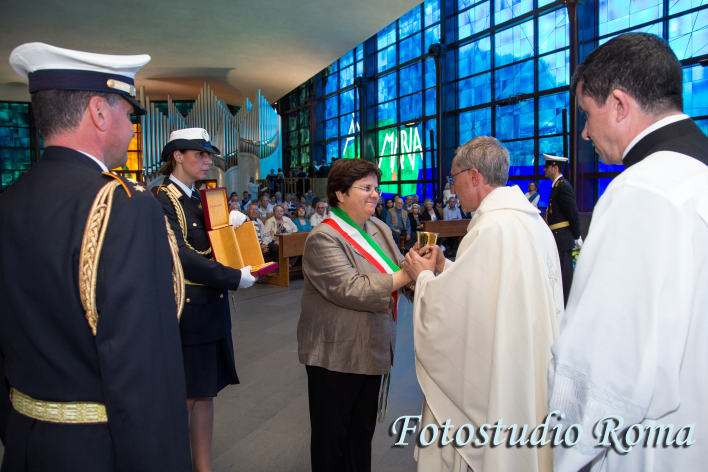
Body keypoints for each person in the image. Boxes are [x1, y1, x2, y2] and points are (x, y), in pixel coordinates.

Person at [0, 42, 191, 471]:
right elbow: (143, 368)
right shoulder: (125, 206)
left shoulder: (8, 202)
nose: (133, 128)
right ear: (99, 112)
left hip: (23, 442)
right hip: (101, 450)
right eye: (129, 113)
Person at [548, 33, 708, 472]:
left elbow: (603, 372)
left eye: (587, 113)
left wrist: (563, 448)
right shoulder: (695, 174)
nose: (585, 132)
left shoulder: (641, 190)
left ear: (619, 105)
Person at [404, 136, 561, 472]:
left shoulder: (491, 227)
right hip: (527, 359)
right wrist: (444, 266)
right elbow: (489, 289)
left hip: (499, 368)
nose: (452, 188)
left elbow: (457, 312)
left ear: (474, 176)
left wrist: (423, 278)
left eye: (453, 178)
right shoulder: (532, 222)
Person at [297, 158, 412, 472]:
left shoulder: (378, 227)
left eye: (376, 187)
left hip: (372, 347)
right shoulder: (323, 237)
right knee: (332, 439)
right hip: (336, 354)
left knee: (361, 436)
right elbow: (351, 289)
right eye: (366, 187)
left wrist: (424, 272)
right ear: (340, 193)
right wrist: (409, 274)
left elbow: (399, 267)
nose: (375, 194)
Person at [156, 128, 256, 472]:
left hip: (210, 309)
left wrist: (232, 226)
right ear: (177, 156)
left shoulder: (201, 199)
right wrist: (233, 277)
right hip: (186, 313)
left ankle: (203, 467)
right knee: (184, 397)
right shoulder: (162, 198)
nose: (207, 161)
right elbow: (181, 256)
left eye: (208, 155)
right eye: (199, 154)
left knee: (205, 393)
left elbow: (216, 244)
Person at [543, 154, 581, 305]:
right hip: (558, 236)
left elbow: (573, 213)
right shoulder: (557, 186)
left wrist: (577, 235)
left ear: (555, 168)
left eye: (547, 166)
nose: (544, 169)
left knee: (564, 276)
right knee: (558, 274)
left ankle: (565, 306)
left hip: (563, 237)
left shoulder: (563, 186)